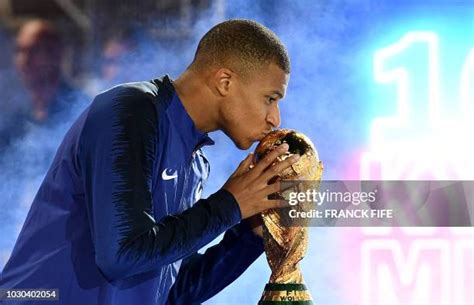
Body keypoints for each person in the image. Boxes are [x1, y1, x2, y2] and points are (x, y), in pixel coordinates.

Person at [0, 19, 297, 305]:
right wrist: (231, 204)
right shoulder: (129, 110)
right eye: (270, 98)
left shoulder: (196, 164)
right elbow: (122, 254)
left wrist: (250, 236)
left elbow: (171, 292)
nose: (275, 118)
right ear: (225, 81)